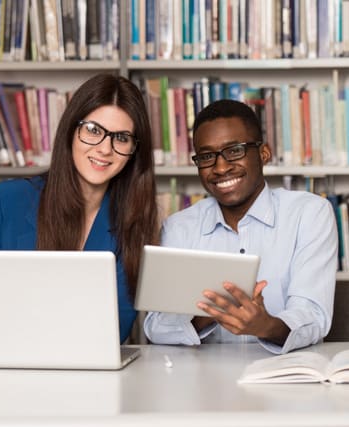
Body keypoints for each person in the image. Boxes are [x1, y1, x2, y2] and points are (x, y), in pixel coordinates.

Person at [0, 74, 159, 360]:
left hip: (86, 379)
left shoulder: (136, 222)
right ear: (70, 129)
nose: (104, 148)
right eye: (92, 130)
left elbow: (113, 328)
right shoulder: (8, 200)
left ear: (134, 151)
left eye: (121, 138)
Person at [144, 99, 338, 354]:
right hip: (203, 381)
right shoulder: (179, 227)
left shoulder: (309, 214)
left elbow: (313, 314)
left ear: (263, 154)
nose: (221, 167)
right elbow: (156, 325)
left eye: (234, 150)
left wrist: (265, 325)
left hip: (287, 377)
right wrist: (215, 312)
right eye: (207, 156)